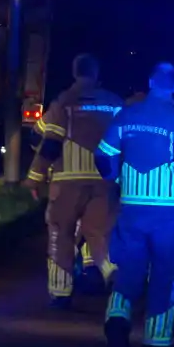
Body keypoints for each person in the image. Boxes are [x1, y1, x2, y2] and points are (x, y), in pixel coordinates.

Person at [95, 62, 174, 347]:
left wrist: (116, 180)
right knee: (166, 272)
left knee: (129, 268)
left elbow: (103, 156)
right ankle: (156, 340)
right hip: (169, 213)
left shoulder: (127, 115)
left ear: (150, 81)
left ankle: (117, 319)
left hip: (132, 207)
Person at [24, 54, 124, 308]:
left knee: (61, 232)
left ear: (74, 72)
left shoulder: (64, 102)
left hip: (68, 181)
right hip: (105, 181)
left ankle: (60, 293)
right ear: (97, 73)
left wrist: (35, 178)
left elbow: (45, 141)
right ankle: (111, 275)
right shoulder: (115, 104)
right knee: (100, 231)